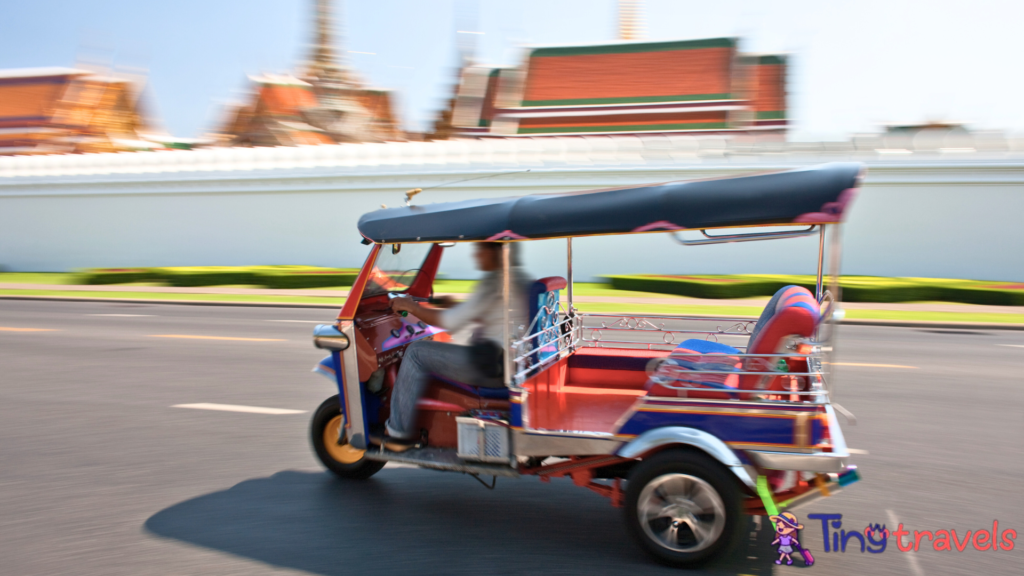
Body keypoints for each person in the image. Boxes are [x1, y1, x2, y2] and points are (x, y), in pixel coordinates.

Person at [383, 242, 529, 451]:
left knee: (416, 352)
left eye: (480, 250)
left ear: (496, 252)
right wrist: (452, 306)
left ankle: (397, 433)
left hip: (491, 365)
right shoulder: (517, 278)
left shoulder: (495, 281)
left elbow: (450, 322)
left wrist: (410, 306)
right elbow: (489, 312)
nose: (476, 256)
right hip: (509, 361)